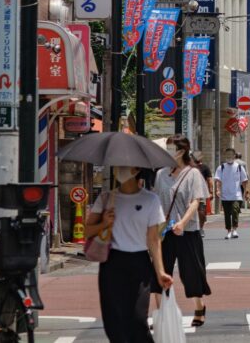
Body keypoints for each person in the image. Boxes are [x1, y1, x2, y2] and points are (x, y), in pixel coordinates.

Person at [86, 166, 173, 342]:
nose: (120, 170)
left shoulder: (151, 200)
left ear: (136, 169)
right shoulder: (106, 198)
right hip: (112, 263)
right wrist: (104, 223)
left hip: (139, 262)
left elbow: (153, 239)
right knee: (113, 322)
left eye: (125, 166)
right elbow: (87, 231)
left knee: (138, 319)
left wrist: (160, 272)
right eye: (118, 166)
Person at [153, 134, 212, 327]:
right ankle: (162, 314)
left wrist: (182, 223)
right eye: (167, 148)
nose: (168, 152)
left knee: (191, 272)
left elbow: (196, 201)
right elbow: (155, 200)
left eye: (172, 148)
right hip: (164, 231)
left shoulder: (193, 173)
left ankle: (199, 307)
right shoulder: (161, 174)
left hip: (188, 231)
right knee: (160, 271)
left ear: (182, 151)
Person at [215, 147, 249, 239]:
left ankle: (234, 229)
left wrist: (246, 192)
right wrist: (218, 190)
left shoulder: (239, 167)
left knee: (235, 211)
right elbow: (218, 180)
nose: (229, 156)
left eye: (231, 154)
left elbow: (244, 181)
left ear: (234, 156)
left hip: (236, 195)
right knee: (227, 214)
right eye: (227, 154)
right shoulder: (221, 167)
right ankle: (229, 231)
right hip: (225, 195)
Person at [192, 151, 213, 236]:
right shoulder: (190, 167)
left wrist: (211, 192)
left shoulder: (205, 167)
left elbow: (209, 180)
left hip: (201, 193)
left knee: (202, 212)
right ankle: (193, 228)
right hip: (190, 193)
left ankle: (200, 228)